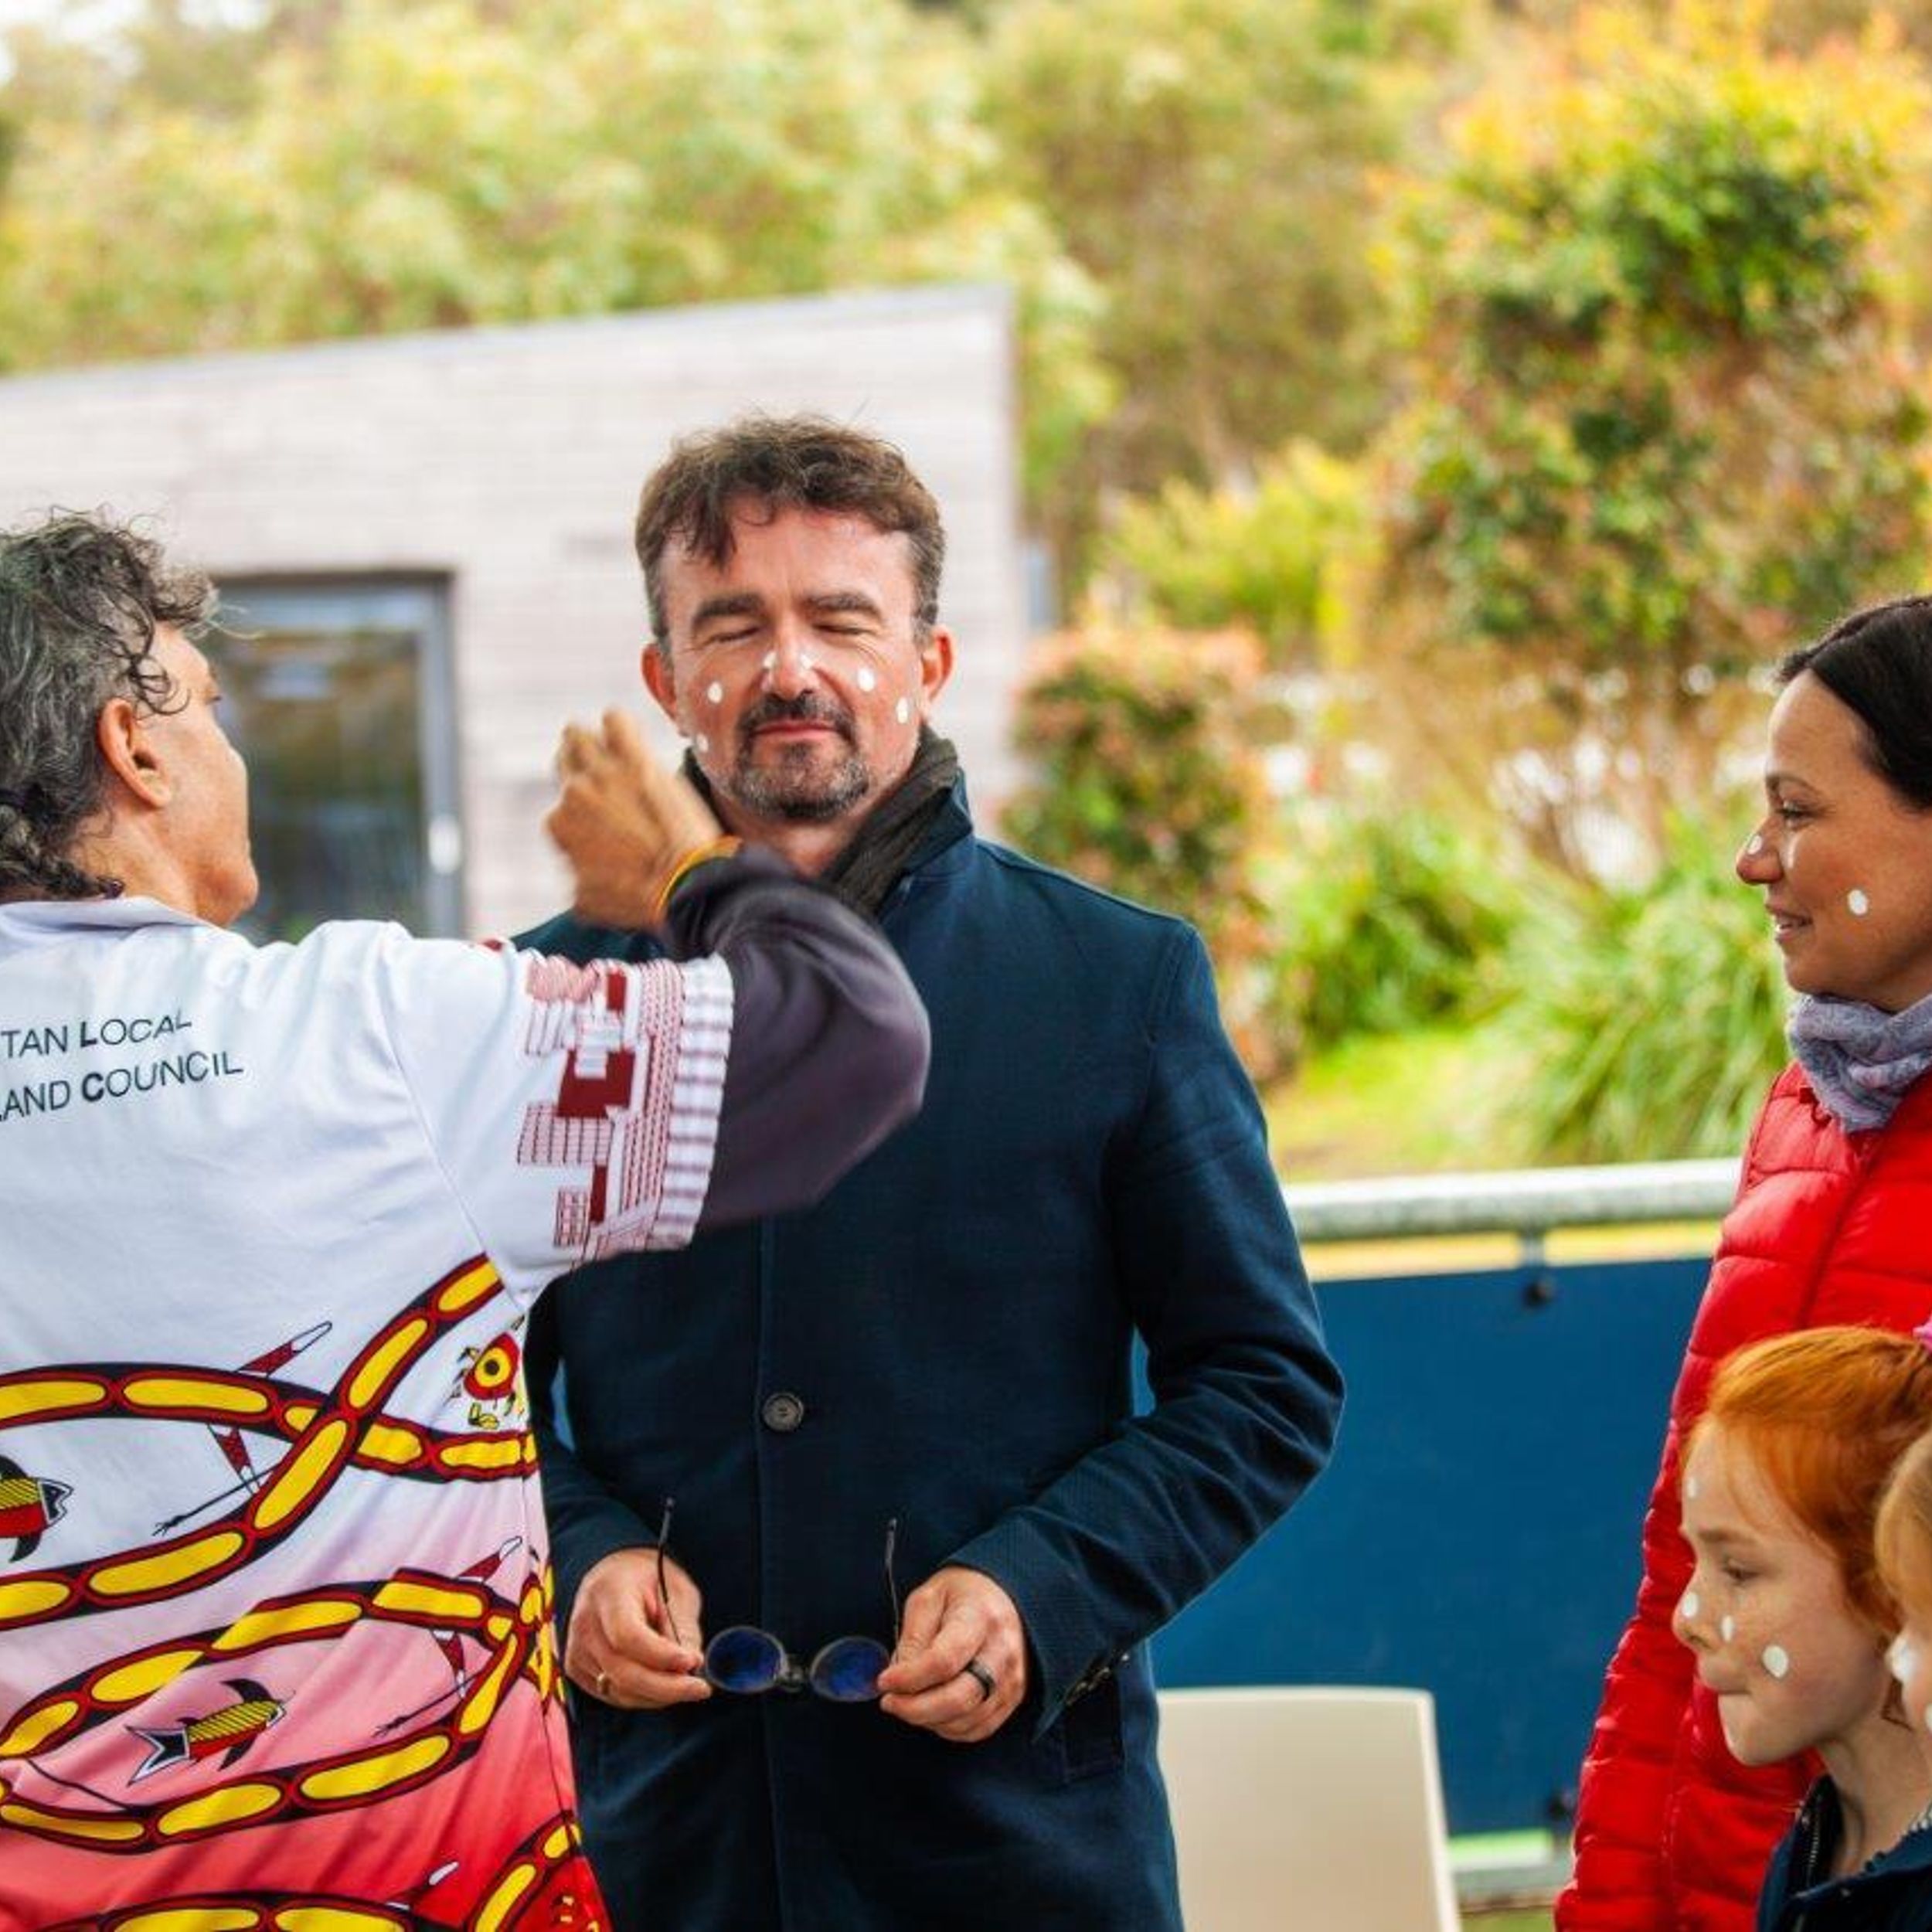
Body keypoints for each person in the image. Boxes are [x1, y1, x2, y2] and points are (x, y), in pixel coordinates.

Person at [0, 510, 929, 1927]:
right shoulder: (370, 1033)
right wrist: (683, 873)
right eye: (213, 710)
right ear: (134, 747)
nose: (233, 757)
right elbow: (846, 1041)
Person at [520, 414, 1343, 1930]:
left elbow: (1263, 1384)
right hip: (663, 1851)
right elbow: (450, 1392)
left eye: (843, 619)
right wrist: (573, 1552)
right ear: (663, 678)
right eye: (733, 626)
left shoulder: (1114, 980)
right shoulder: (539, 1003)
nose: (792, 667)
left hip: (1019, 1856)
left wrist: (1047, 1584)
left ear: (930, 660)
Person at [1560, 591, 1932, 1932]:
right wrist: (1619, 1893)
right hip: (1748, 1876)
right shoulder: (1813, 1108)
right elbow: (1690, 1566)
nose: (1752, 859)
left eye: (1797, 811)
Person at [1674, 1327, 1932, 1931]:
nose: (1687, 1618)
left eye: (1738, 1571)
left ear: (1891, 1588)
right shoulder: (1814, 1848)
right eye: (1695, 1561)